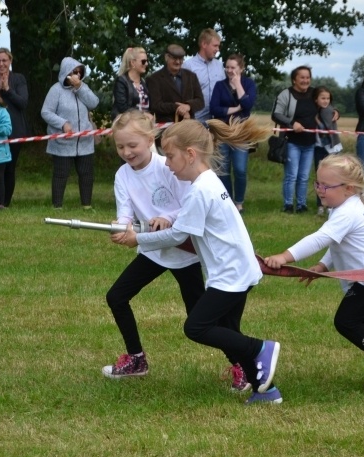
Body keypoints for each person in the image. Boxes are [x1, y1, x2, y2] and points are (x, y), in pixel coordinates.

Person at [111, 118, 282, 405]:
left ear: (190, 154)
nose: (166, 164)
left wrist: (137, 240)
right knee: (224, 327)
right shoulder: (207, 182)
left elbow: (178, 235)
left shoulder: (200, 191)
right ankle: (267, 390)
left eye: (171, 157)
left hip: (231, 274)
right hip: (234, 271)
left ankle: (259, 348)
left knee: (196, 327)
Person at [264, 153, 364, 392]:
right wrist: (322, 266)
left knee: (346, 321)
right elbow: (337, 243)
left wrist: (284, 257)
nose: (320, 190)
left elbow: (321, 238)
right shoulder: (342, 206)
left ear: (349, 188)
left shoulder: (347, 211)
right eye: (317, 183)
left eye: (326, 186)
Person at [102, 111, 211, 383]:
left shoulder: (170, 167)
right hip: (152, 249)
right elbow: (125, 211)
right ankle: (136, 359)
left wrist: (168, 218)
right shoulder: (122, 176)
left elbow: (189, 205)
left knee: (200, 320)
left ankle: (242, 362)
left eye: (132, 145)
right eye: (120, 146)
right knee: (116, 296)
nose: (127, 152)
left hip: (183, 253)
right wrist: (122, 226)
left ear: (150, 140)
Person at [41, 58, 99, 209]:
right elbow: (46, 112)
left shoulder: (83, 87)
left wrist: (80, 87)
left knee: (86, 174)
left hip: (85, 141)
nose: (77, 75)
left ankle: (86, 205)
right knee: (61, 174)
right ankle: (57, 205)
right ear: (66, 73)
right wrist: (62, 123)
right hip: (63, 142)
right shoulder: (56, 90)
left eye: (80, 72)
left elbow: (94, 103)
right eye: (74, 72)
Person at [0, 47, 29, 207]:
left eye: (4, 60)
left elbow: (23, 103)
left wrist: (7, 90)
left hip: (14, 130)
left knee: (9, 167)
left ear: (10, 61)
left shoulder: (19, 78)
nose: (1, 63)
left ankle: (4, 202)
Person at [209, 53, 257, 212]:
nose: (229, 70)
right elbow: (214, 108)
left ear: (241, 68)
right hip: (222, 132)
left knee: (240, 169)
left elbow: (248, 104)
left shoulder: (249, 84)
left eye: (233, 67)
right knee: (223, 169)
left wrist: (238, 85)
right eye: (227, 67)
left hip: (241, 133)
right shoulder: (219, 85)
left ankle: (239, 202)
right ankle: (227, 201)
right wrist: (236, 109)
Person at [271, 65, 317, 214]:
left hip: (310, 142)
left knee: (304, 176)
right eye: (302, 77)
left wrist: (335, 112)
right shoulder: (286, 94)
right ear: (294, 80)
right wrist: (292, 124)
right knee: (292, 175)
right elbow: (276, 114)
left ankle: (302, 205)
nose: (305, 80)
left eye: (307, 77)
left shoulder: (314, 93)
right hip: (292, 142)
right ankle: (288, 205)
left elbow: (326, 104)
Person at [146, 44, 204, 124]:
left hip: (189, 125)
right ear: (167, 57)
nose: (177, 62)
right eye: (174, 58)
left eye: (180, 59)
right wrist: (177, 107)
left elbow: (200, 101)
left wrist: (188, 106)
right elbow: (155, 105)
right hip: (166, 127)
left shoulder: (191, 76)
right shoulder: (154, 79)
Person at [182, 28, 225, 123]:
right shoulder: (188, 66)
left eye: (218, 46)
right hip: (196, 122)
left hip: (217, 122)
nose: (217, 49)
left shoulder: (219, 65)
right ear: (204, 44)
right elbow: (183, 95)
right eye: (215, 46)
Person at [312, 86, 342, 216]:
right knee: (320, 177)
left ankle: (331, 204)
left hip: (331, 147)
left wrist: (336, 111)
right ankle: (320, 204)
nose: (325, 101)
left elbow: (328, 128)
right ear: (316, 99)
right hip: (318, 147)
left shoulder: (328, 111)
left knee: (332, 177)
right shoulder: (315, 111)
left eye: (328, 98)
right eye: (322, 98)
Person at [112, 47, 150, 120]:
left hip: (143, 124)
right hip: (128, 125)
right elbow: (122, 108)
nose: (146, 64)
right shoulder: (121, 81)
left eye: (147, 61)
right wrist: (142, 114)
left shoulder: (143, 83)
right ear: (133, 63)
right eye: (143, 61)